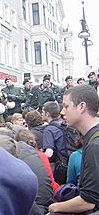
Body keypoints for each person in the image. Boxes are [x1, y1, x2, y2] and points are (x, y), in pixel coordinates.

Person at [49, 85, 99, 214]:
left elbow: (88, 201)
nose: (62, 112)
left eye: (66, 106)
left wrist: (54, 208)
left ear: (81, 106)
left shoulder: (94, 145)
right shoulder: (93, 139)